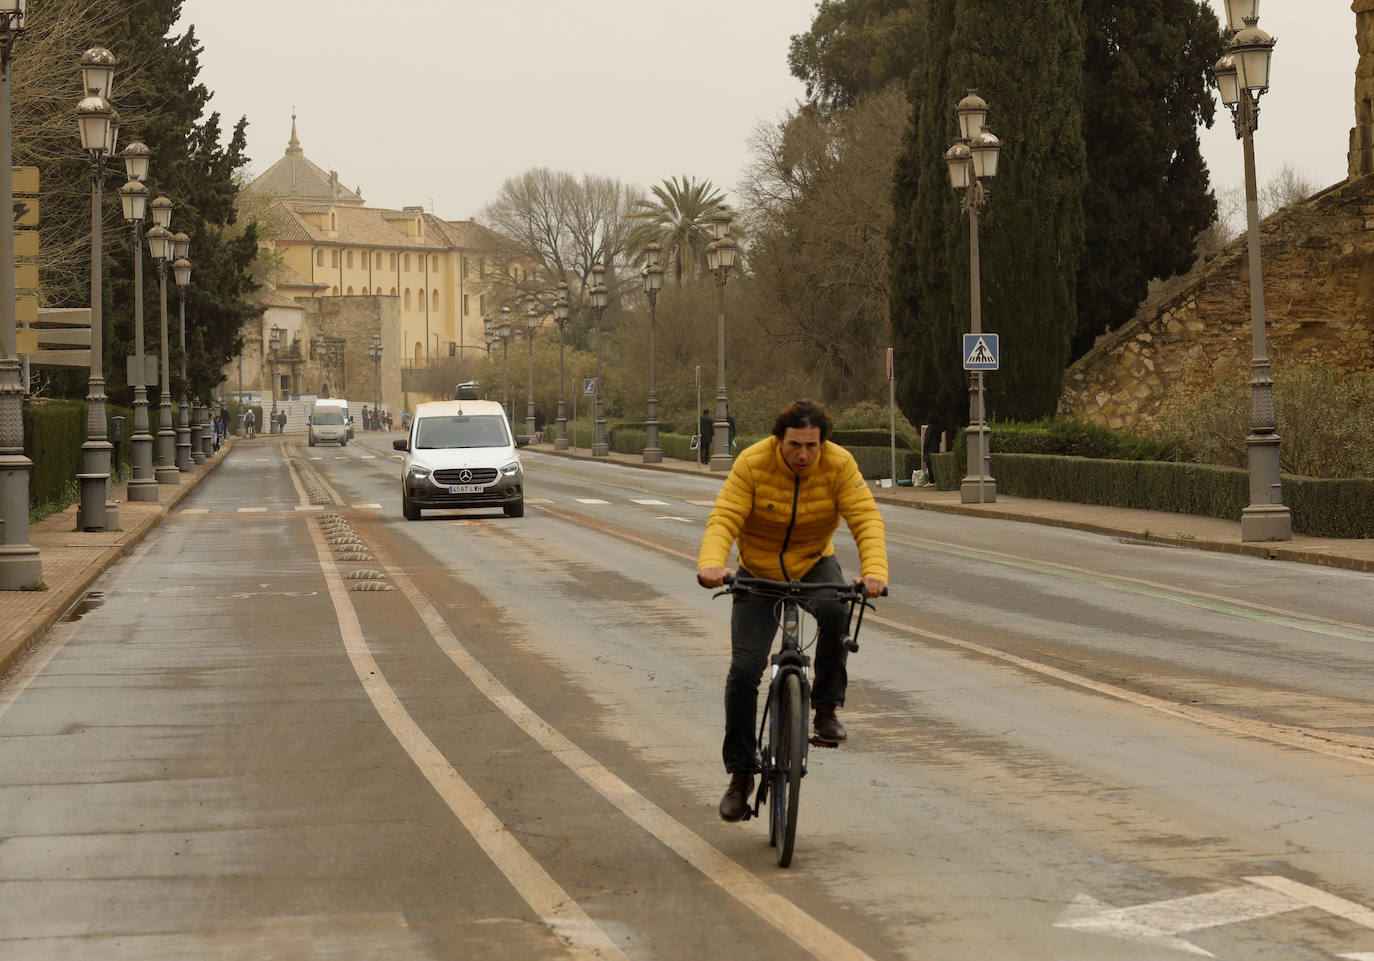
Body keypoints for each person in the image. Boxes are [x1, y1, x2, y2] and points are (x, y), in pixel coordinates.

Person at [696, 399, 888, 822]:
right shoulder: (752, 463)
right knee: (744, 671)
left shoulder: (839, 465)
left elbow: (866, 519)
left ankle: (824, 708)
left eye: (812, 446)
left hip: (813, 562)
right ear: (778, 441)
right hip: (758, 570)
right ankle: (740, 775)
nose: (803, 455)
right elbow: (724, 517)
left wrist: (873, 572)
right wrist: (711, 564)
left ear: (823, 444)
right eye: (795, 445)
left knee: (840, 608)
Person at [921, 411, 942, 486]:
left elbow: (927, 439)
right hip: (936, 447)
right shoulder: (938, 428)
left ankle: (931, 481)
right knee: (934, 465)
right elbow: (940, 440)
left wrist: (925, 448)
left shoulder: (930, 428)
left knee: (929, 466)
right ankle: (936, 480)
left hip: (929, 448)